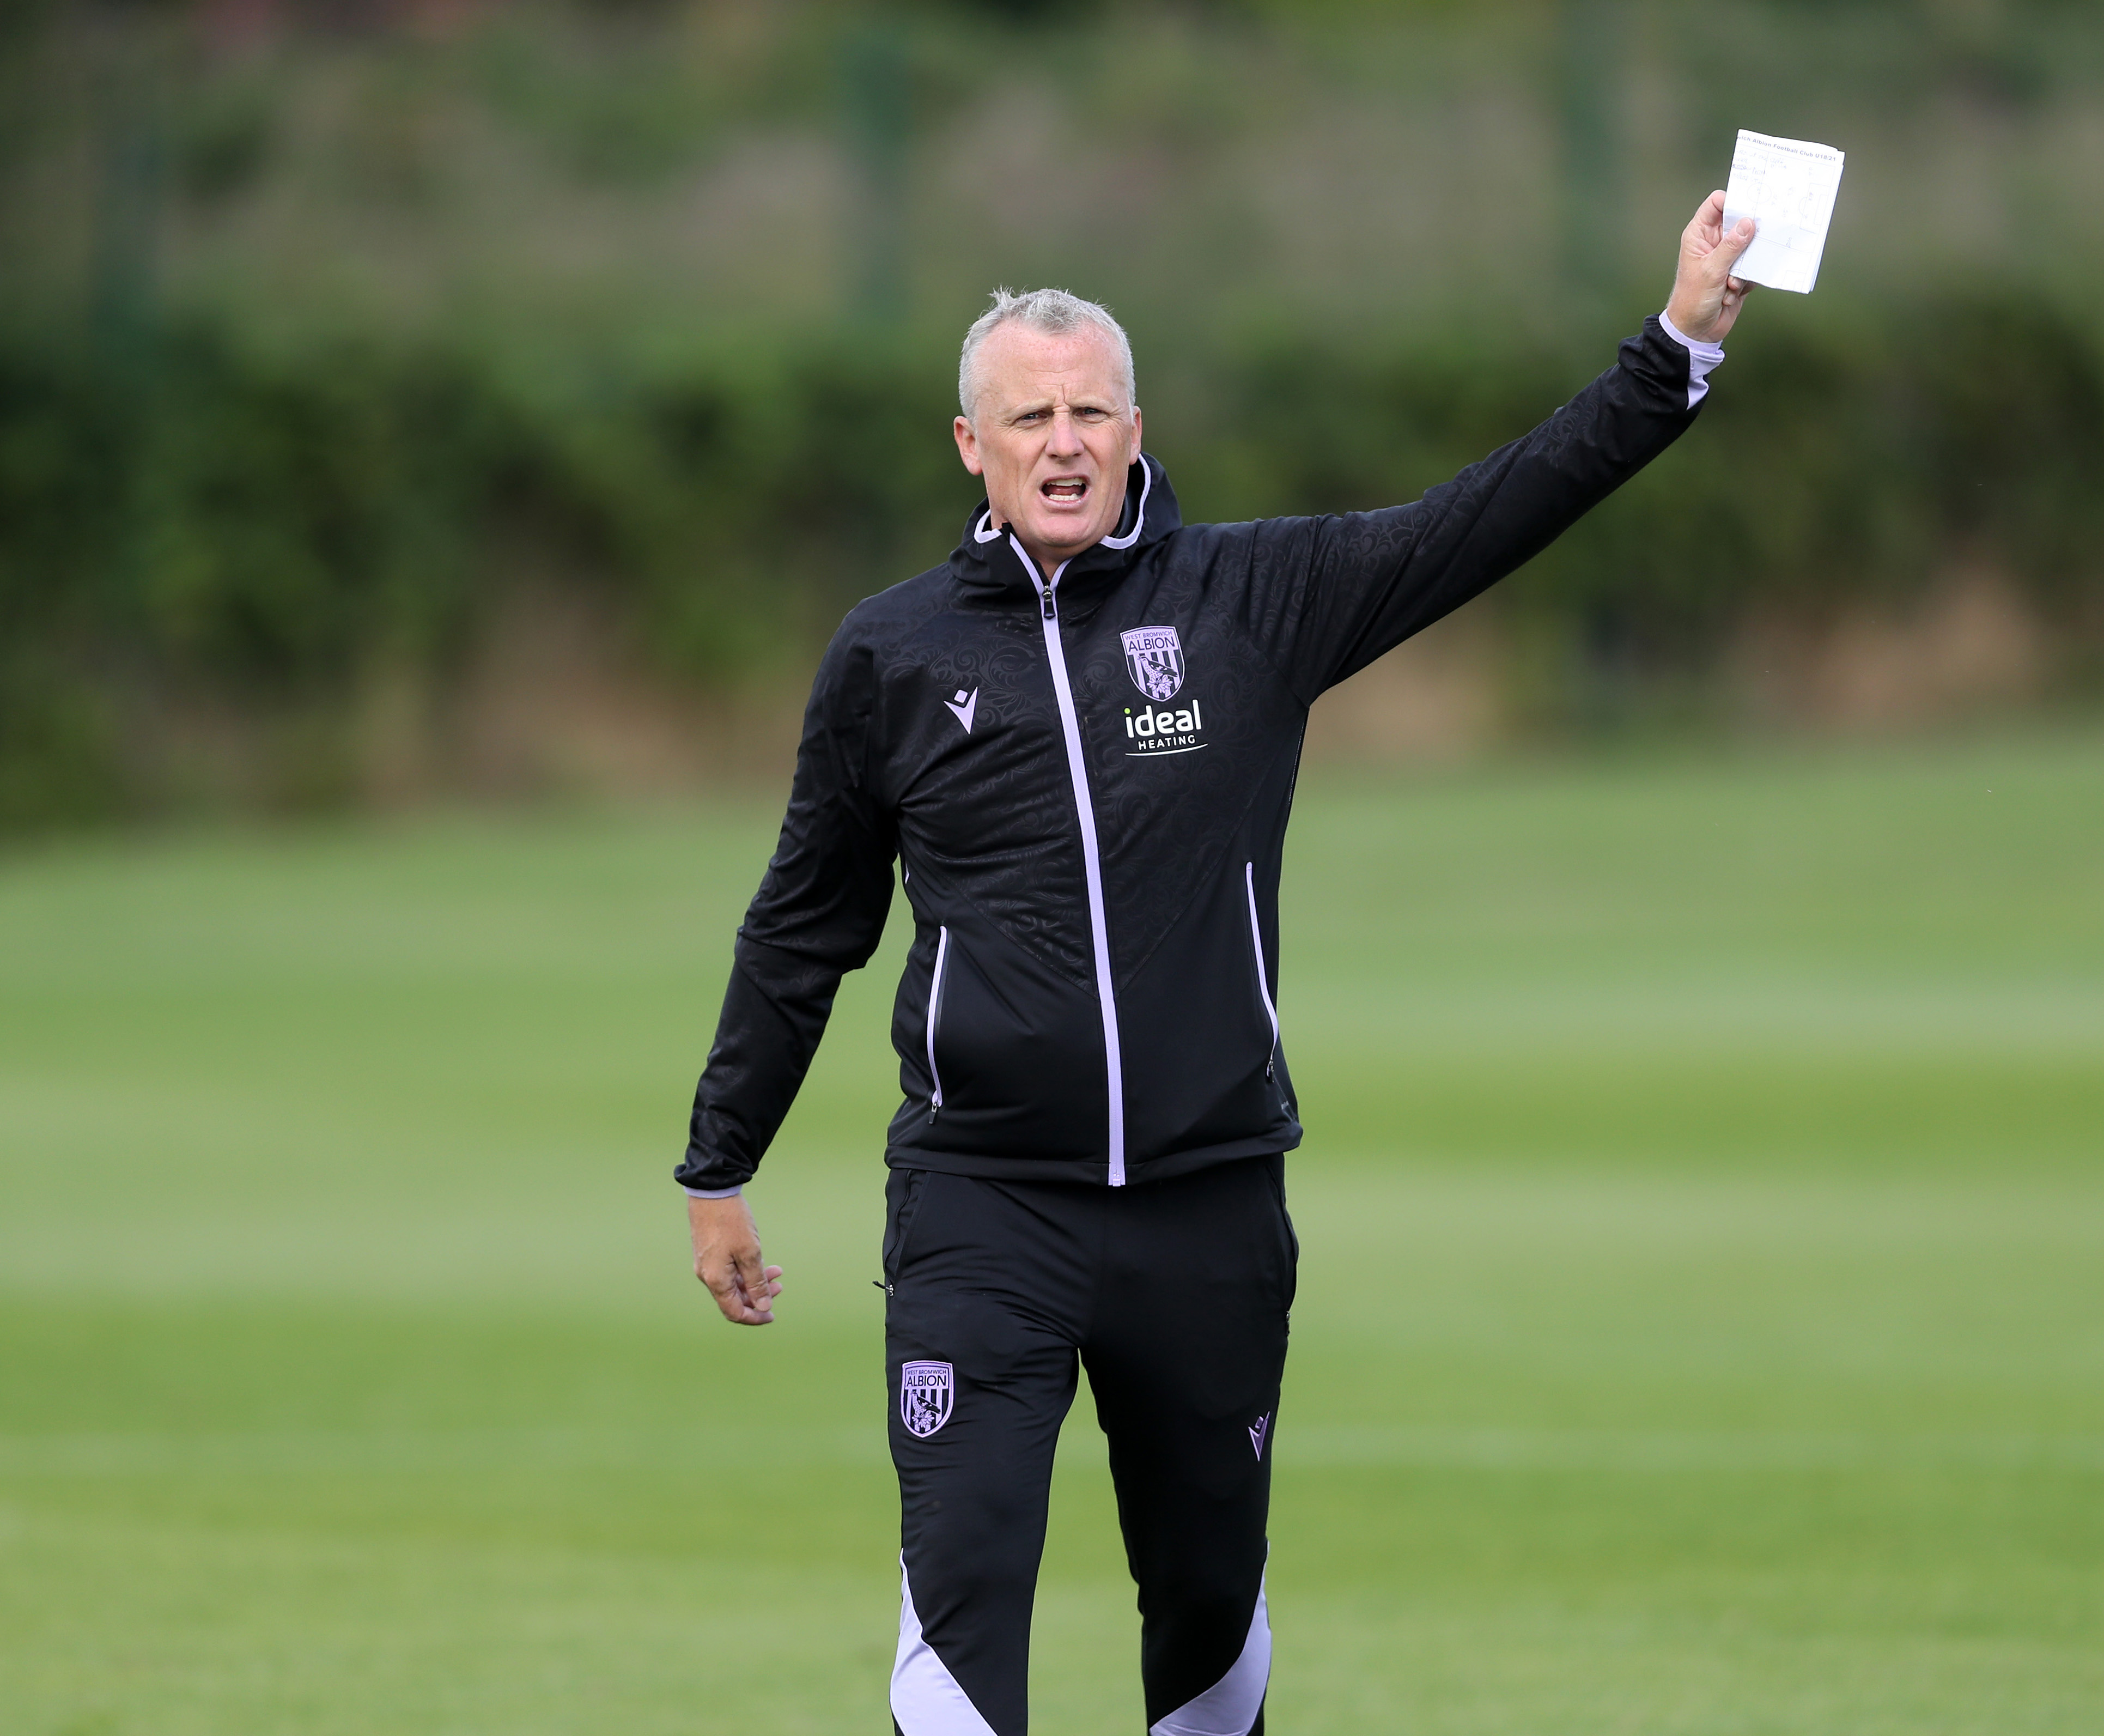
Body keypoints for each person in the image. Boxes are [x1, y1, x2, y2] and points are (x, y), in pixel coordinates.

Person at [677, 192, 1758, 1736]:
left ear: (1136, 429)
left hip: (1209, 1203)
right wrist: (720, 1160)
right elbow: (805, 923)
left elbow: (1486, 514)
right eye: (1027, 413)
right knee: (962, 1583)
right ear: (968, 445)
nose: (1063, 439)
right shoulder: (893, 656)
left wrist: (1674, 355)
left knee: (1205, 1606)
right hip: (985, 1205)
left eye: (1090, 409)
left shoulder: (1253, 599)